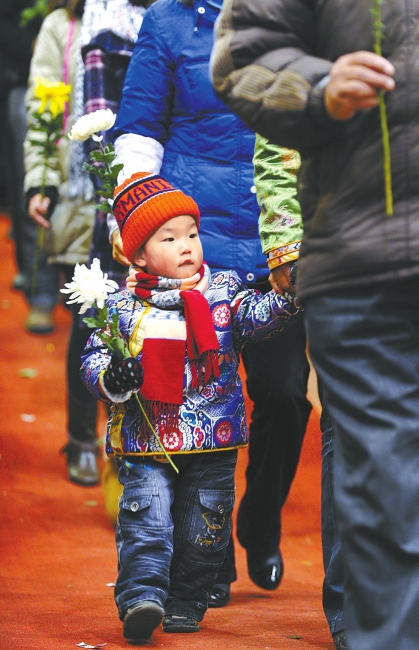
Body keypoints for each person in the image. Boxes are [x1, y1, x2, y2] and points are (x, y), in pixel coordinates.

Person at [211, 2, 419, 649]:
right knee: (352, 449)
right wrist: (320, 89)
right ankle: (347, 607)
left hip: (339, 257)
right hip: (350, 258)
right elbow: (248, 60)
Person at [110, 0, 312, 605]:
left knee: (285, 393)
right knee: (195, 401)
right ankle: (208, 552)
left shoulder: (291, 14)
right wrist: (130, 219)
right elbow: (140, 129)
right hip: (191, 249)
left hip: (277, 243)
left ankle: (261, 517)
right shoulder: (169, 20)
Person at [80, 172, 303, 642]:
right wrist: (111, 378)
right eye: (170, 238)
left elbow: (256, 319)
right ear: (139, 255)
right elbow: (95, 357)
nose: (186, 246)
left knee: (205, 529)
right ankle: (142, 598)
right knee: (148, 521)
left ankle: (186, 600)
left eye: (193, 235)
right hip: (147, 440)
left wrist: (286, 295)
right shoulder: (121, 308)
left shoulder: (223, 293)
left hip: (213, 438)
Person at [253, 135, 345, 650]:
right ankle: (353, 604)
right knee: (343, 421)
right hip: (342, 256)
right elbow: (279, 143)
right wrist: (287, 246)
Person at [24, 0, 98, 483]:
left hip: (136, 195)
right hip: (76, 198)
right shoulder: (62, 26)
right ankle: (83, 438)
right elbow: (43, 113)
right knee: (88, 322)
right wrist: (42, 182)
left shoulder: (146, 16)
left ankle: (135, 447)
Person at [0, 0, 44, 293]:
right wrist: (31, 44)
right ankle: (34, 277)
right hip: (19, 83)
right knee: (25, 179)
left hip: (57, 77)